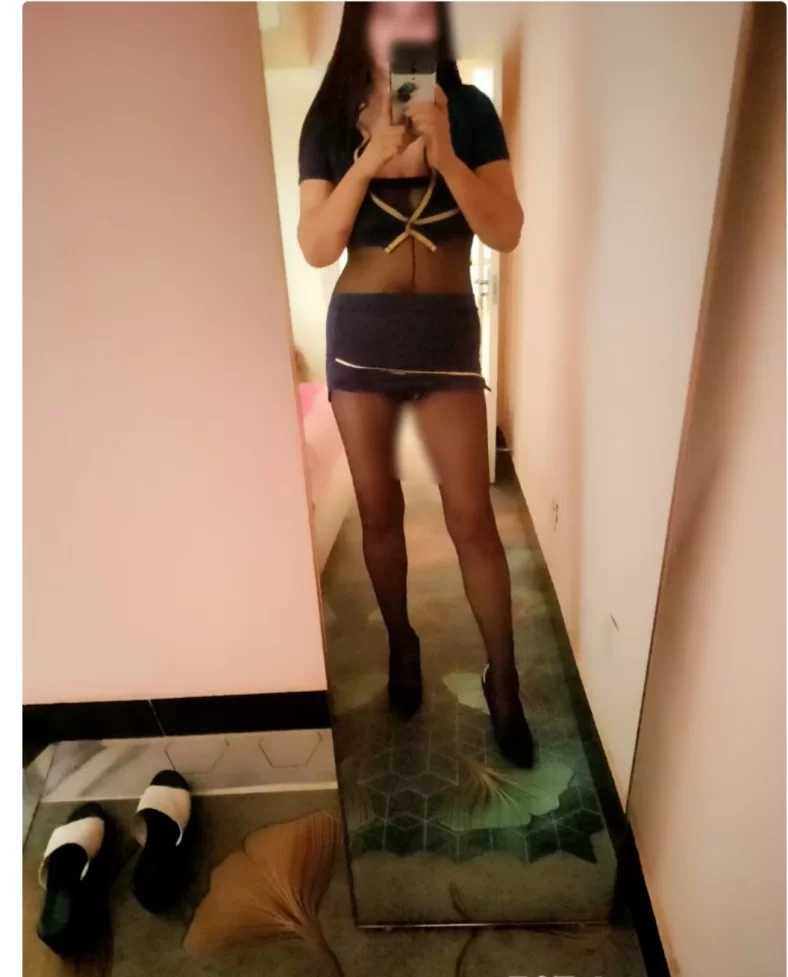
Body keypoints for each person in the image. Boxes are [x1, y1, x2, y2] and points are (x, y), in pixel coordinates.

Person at [297, 1, 534, 768]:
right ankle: (402, 641)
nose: (406, 23)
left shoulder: (470, 111)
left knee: (472, 515)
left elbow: (505, 229)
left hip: (445, 337)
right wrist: (368, 159)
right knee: (378, 509)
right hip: (361, 337)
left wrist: (448, 156)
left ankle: (505, 681)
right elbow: (316, 245)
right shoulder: (329, 119)